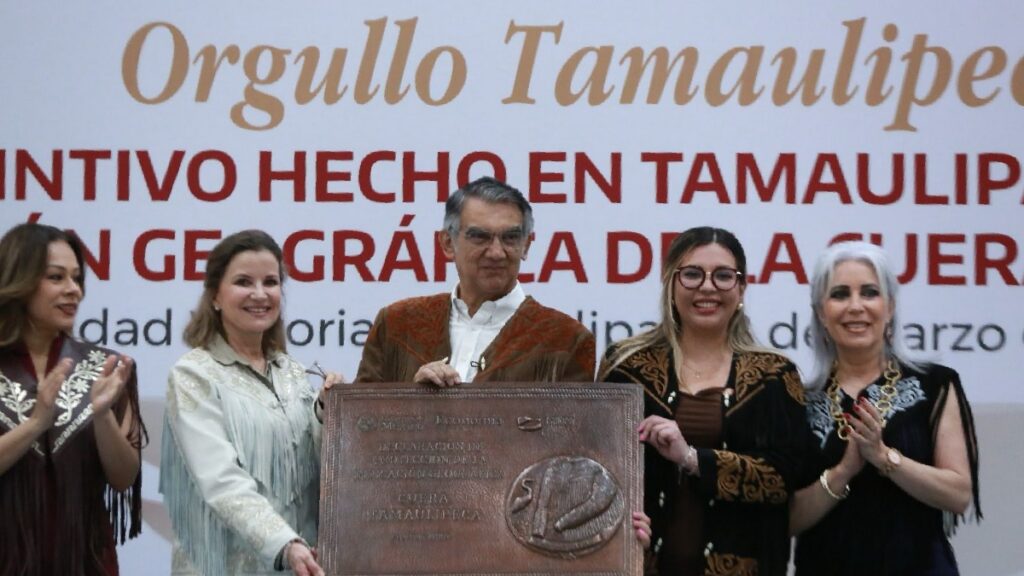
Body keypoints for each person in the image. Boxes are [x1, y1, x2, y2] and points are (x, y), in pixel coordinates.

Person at [599, 226, 811, 576]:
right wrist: (620, 522)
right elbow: (595, 465)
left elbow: (786, 478)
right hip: (640, 564)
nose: (708, 287)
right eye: (692, 274)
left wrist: (694, 459)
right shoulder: (625, 365)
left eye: (724, 276)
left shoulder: (774, 375)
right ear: (670, 284)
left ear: (741, 288)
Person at [791, 241, 981, 575]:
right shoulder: (799, 399)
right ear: (821, 312)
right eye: (839, 294)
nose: (855, 306)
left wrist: (884, 457)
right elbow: (787, 519)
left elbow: (958, 495)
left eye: (869, 293)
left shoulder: (934, 385)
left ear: (890, 307)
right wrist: (843, 471)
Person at [160, 230, 341, 576]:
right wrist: (283, 542)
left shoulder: (292, 372)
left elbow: (314, 470)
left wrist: (325, 411)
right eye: (244, 282)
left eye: (270, 282)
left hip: (300, 566)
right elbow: (220, 479)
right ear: (215, 295)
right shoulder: (192, 375)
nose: (260, 294)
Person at [0, 222, 146, 576]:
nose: (73, 291)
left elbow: (124, 478)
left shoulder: (107, 367)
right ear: (18, 281)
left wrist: (101, 416)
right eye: (56, 277)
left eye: (77, 278)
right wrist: (36, 424)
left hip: (86, 563)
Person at [355, 176, 595, 385]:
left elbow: (572, 435)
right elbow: (358, 425)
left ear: (526, 245)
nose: (496, 252)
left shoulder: (567, 340)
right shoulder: (396, 325)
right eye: (480, 237)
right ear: (448, 244)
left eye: (510, 238)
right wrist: (415, 401)